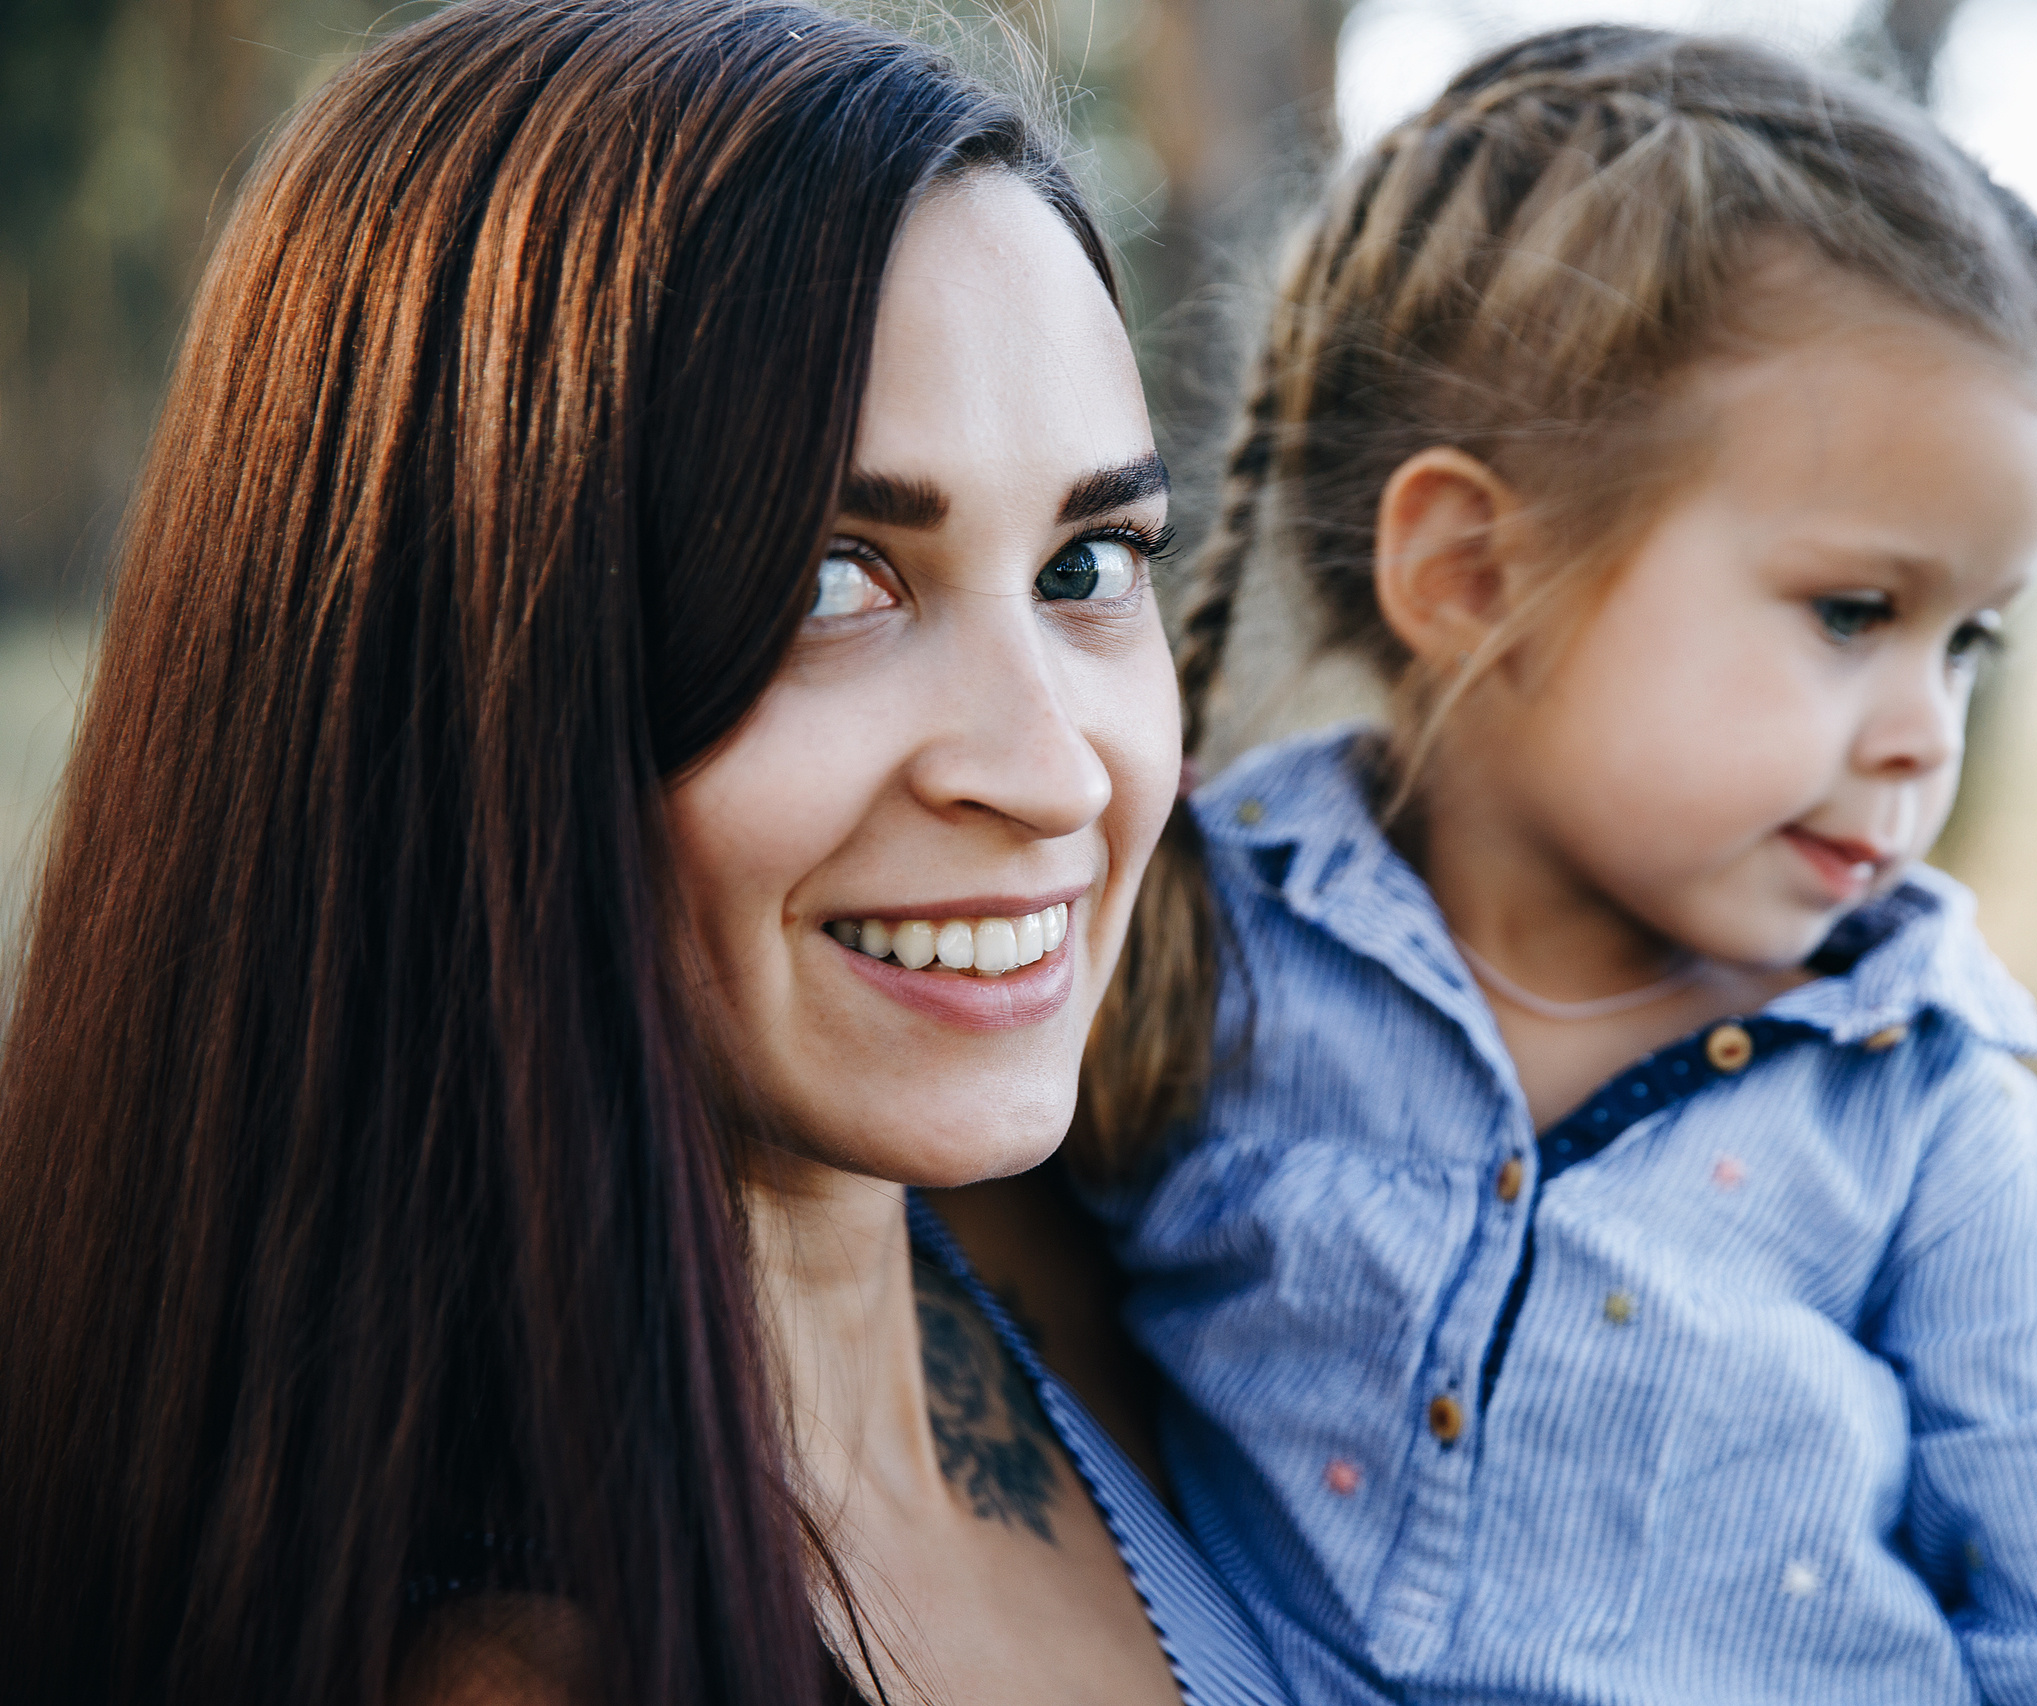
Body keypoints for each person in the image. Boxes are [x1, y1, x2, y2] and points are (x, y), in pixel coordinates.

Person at [0, 4, 1291, 1703]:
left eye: (1088, 564)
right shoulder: (519, 1665)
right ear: (454, 673)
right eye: (836, 578)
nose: (1051, 772)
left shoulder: (1175, 1266)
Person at [1076, 25, 2037, 1706]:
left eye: (1971, 644)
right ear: (1466, 569)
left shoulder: (1923, 1117)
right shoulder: (1189, 942)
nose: (1920, 734)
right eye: (1854, 612)